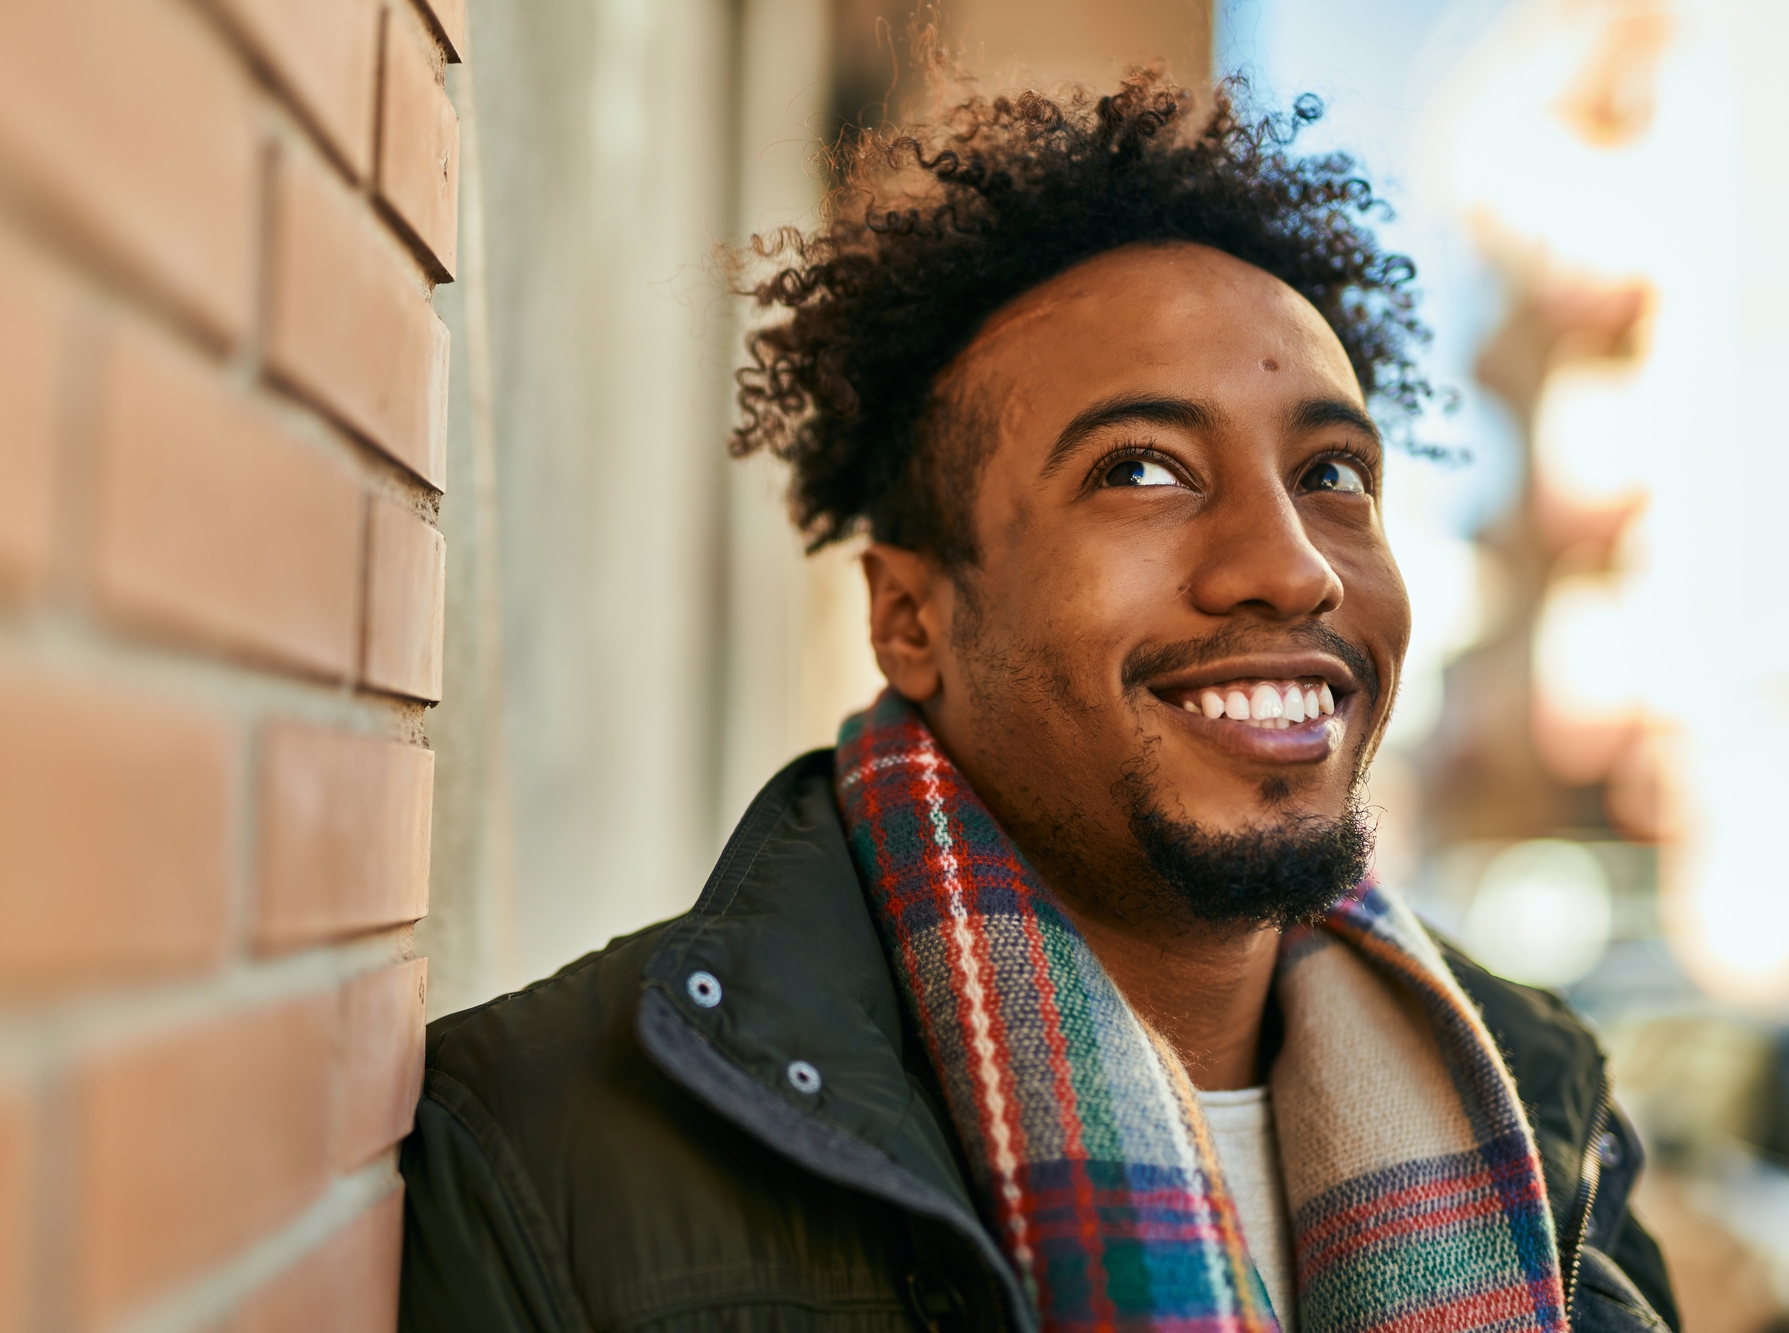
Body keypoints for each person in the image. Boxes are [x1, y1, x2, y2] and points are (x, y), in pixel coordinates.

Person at [399, 66, 1679, 1333]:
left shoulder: (1546, 1120)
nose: (1289, 563)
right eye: (1140, 467)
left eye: (1332, 471)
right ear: (911, 617)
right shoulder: (545, 1151)